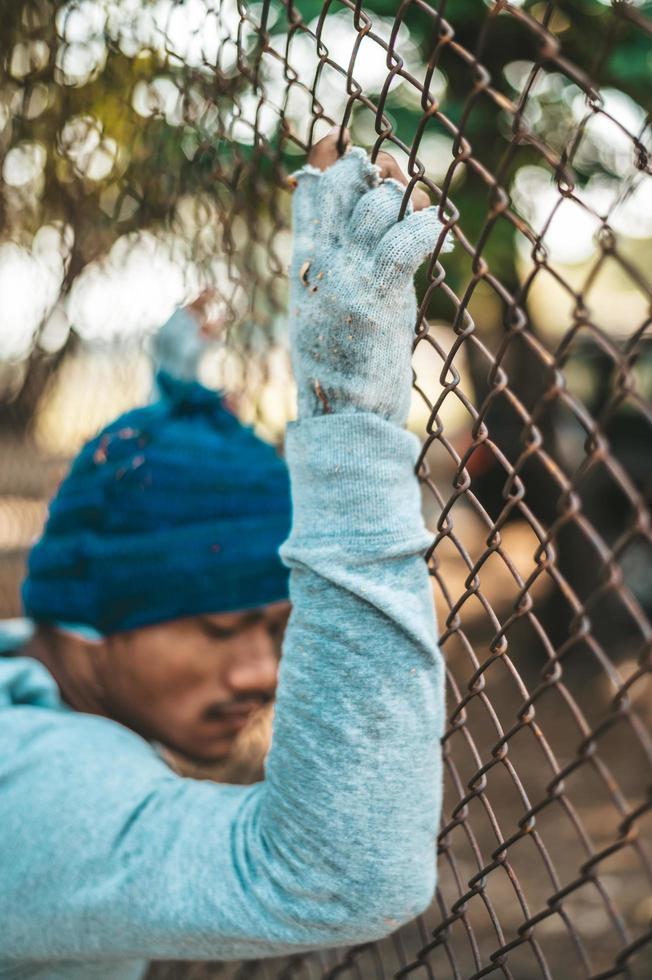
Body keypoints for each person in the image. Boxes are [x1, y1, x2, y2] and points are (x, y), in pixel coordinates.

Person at [0, 130, 452, 980]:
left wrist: (177, 392)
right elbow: (342, 879)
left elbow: (119, 538)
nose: (260, 674)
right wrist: (350, 419)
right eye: (220, 626)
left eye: (281, 633)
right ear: (88, 625)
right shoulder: (35, 788)